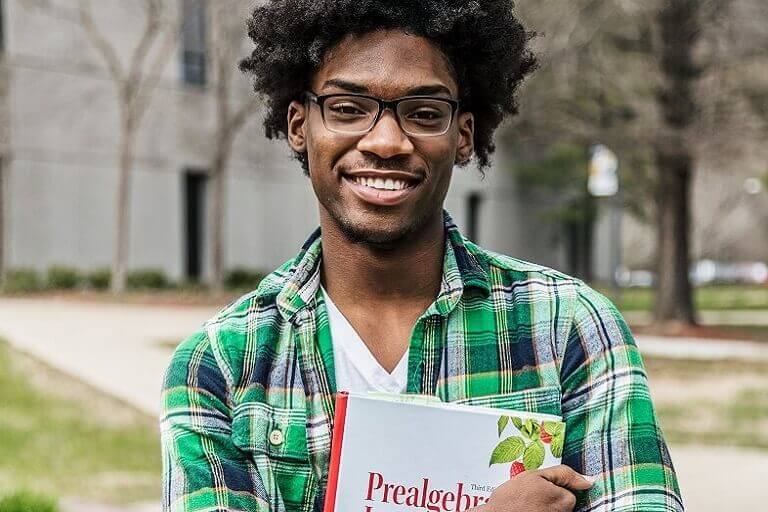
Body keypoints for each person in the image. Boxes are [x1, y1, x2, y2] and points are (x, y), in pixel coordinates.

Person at [160, 1, 683, 511]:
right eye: (347, 108)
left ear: (463, 135)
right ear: (301, 126)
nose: (386, 141)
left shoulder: (569, 328)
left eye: (425, 112)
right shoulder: (219, 365)